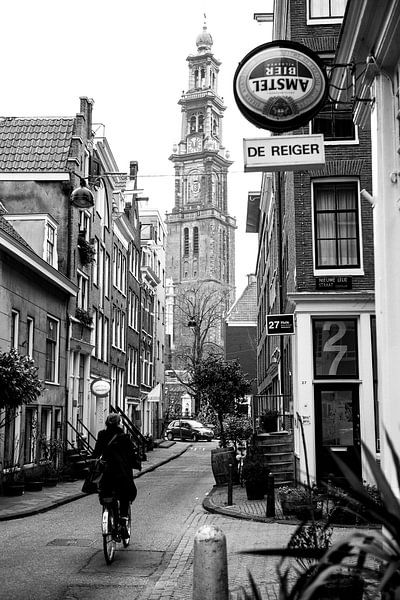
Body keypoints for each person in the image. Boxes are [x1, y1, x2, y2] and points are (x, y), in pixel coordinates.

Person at [92, 413, 141, 538]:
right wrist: (136, 462)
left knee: (106, 494)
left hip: (106, 474)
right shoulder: (124, 437)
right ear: (119, 423)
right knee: (125, 494)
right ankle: (123, 522)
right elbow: (131, 455)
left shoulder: (102, 435)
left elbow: (96, 452)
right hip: (121, 474)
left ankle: (109, 513)